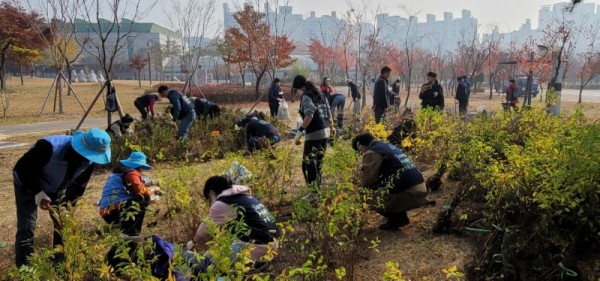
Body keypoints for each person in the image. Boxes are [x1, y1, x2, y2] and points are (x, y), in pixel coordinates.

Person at [13, 128, 112, 266]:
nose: (88, 160)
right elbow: (21, 169)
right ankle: (25, 267)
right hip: (28, 182)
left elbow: (79, 186)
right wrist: (37, 192)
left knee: (63, 223)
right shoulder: (48, 148)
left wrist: (68, 207)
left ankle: (59, 261)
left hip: (58, 187)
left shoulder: (89, 159)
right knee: (27, 225)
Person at [185, 176, 280, 273]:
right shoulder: (245, 196)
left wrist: (193, 242)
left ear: (212, 193)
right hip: (274, 245)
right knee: (212, 253)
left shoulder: (222, 203)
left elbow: (202, 232)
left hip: (260, 248)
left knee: (209, 267)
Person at [352, 133, 430, 230]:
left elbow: (367, 180)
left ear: (363, 146)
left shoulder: (372, 152)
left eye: (361, 151)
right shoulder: (386, 145)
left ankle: (397, 219)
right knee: (381, 187)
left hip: (411, 193)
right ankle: (398, 217)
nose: (362, 154)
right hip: (419, 187)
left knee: (366, 194)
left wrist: (356, 181)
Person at [99, 152, 158, 238]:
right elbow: (140, 190)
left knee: (136, 198)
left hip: (107, 212)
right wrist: (153, 190)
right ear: (139, 167)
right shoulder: (132, 173)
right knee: (143, 198)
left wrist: (147, 183)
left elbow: (139, 183)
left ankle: (124, 227)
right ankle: (130, 233)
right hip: (114, 211)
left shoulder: (119, 173)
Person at [293, 75, 333, 186]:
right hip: (325, 131)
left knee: (307, 163)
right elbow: (328, 111)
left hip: (315, 133)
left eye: (296, 90)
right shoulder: (319, 92)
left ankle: (313, 192)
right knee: (318, 161)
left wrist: (300, 131)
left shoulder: (306, 96)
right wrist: (332, 126)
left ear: (300, 88)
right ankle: (317, 188)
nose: (297, 93)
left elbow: (309, 114)